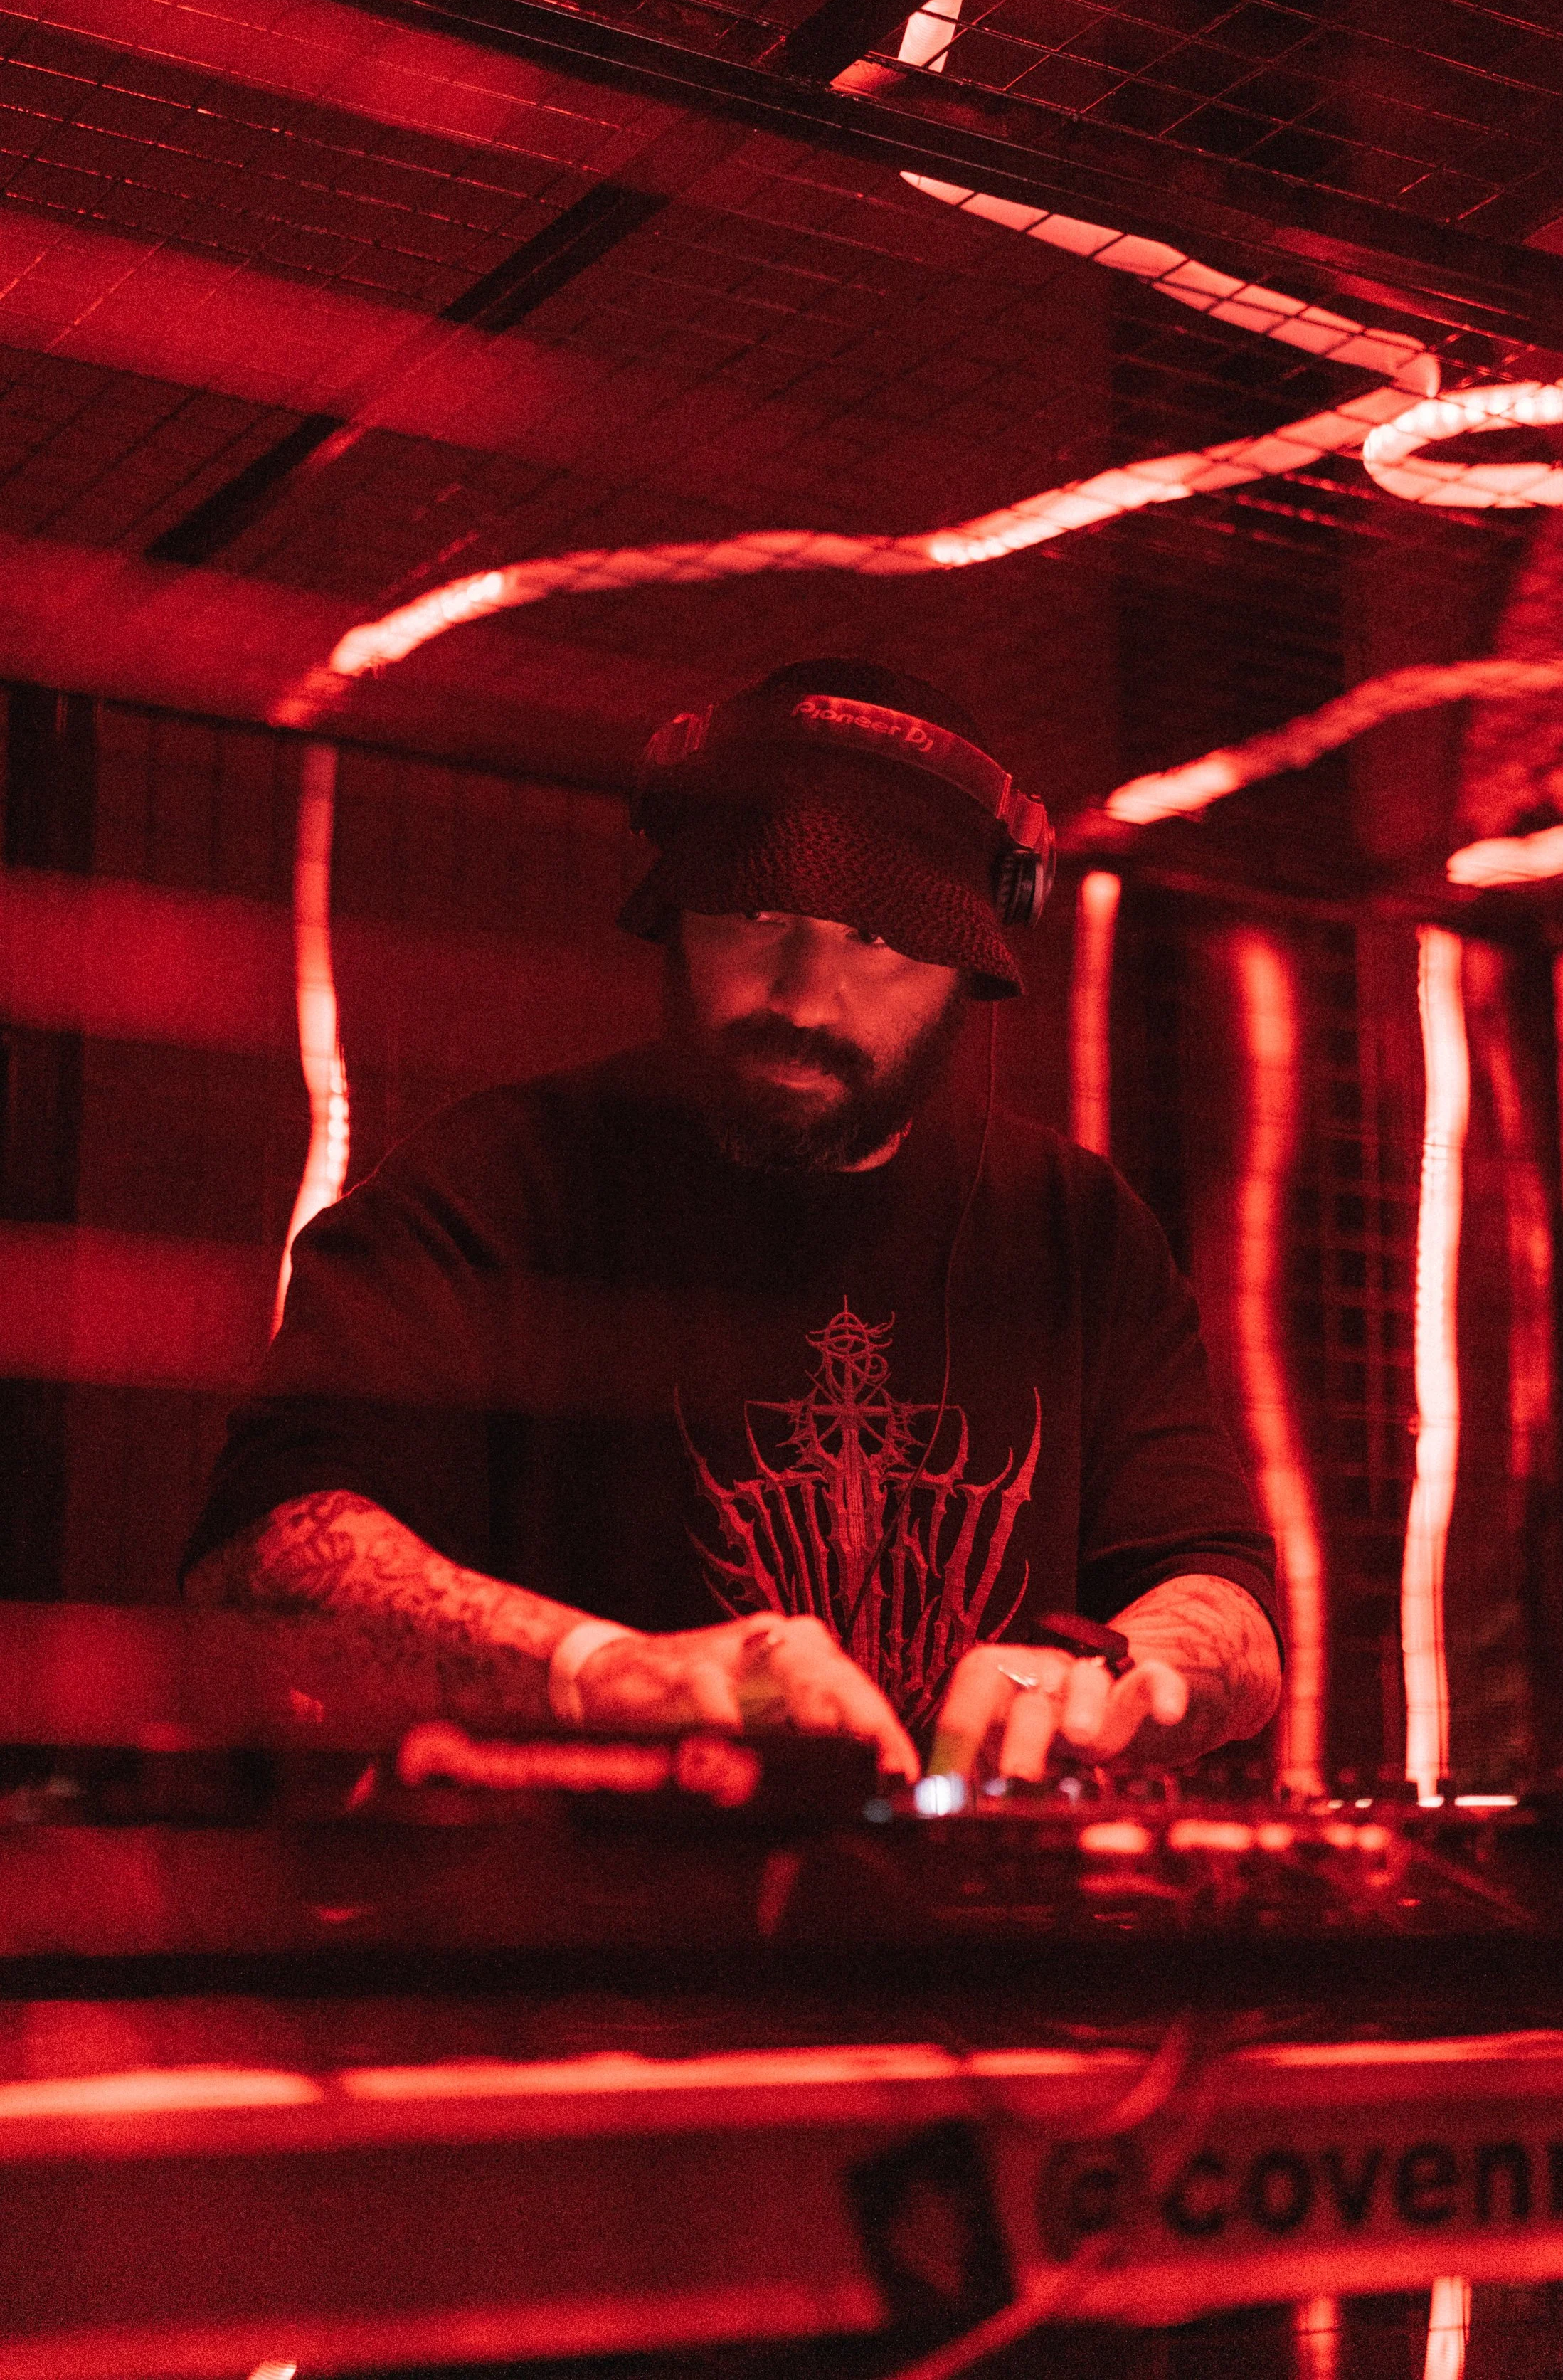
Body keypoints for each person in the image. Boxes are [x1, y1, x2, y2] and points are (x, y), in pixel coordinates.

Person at [184, 662, 1281, 1782]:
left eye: (878, 940)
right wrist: (610, 1670)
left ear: (968, 963)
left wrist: (1119, 1677)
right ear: (682, 920)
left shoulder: (1080, 1234)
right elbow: (262, 1561)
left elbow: (1230, 1605)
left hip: (974, 1941)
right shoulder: (493, 1184)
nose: (806, 997)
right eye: (759, 916)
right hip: (593, 1927)